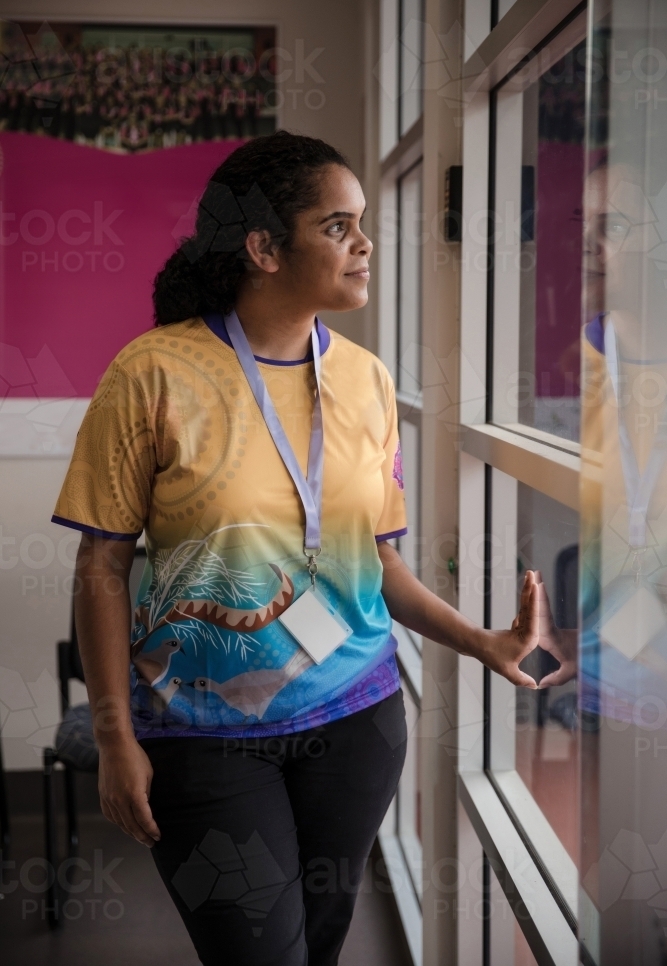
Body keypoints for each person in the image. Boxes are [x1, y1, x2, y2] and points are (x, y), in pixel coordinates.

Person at [52, 130, 543, 966]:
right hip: (201, 737)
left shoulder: (365, 377)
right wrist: (113, 738)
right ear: (262, 247)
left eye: (362, 224)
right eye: (338, 225)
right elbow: (101, 565)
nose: (364, 244)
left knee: (317, 947)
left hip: (357, 720)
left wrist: (483, 642)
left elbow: (376, 562)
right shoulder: (151, 373)